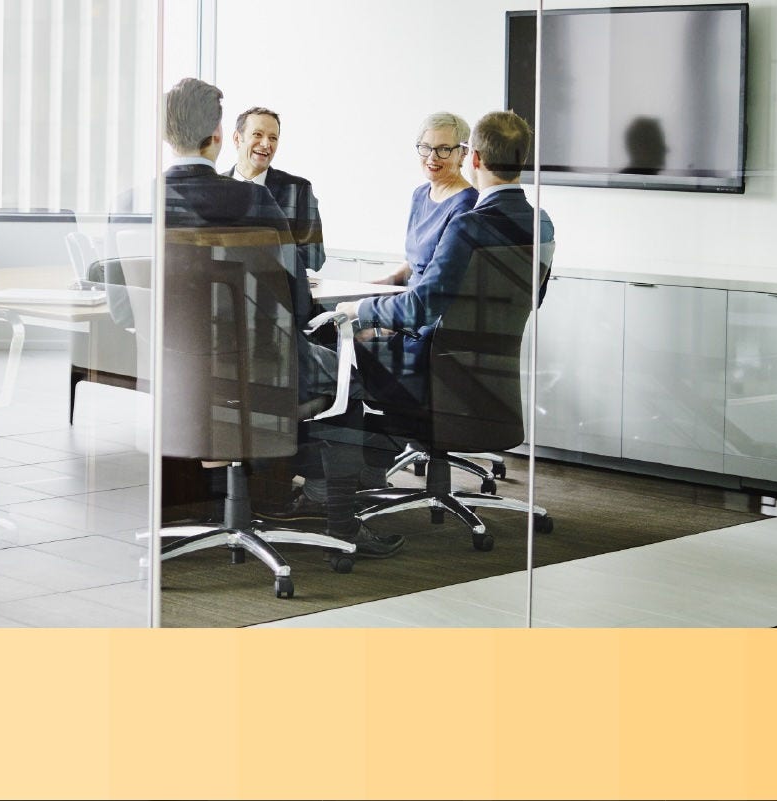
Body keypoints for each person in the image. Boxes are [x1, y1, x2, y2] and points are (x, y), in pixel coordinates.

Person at [159, 77, 401, 558]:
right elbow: (298, 300)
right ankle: (339, 523)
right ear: (220, 135)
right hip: (258, 370)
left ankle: (222, 503)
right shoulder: (254, 201)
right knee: (347, 375)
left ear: (168, 135)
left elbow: (128, 307)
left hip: (179, 378)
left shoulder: (136, 203)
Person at [338, 110, 555, 407]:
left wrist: (359, 308)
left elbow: (422, 306)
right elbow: (531, 299)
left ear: (473, 158)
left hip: (431, 363)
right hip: (485, 371)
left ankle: (355, 449)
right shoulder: (541, 223)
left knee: (336, 344)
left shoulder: (468, 223)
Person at [370, 112, 479, 289]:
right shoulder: (420, 195)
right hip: (408, 299)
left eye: (444, 149)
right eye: (426, 147)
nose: (432, 157)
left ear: (463, 153)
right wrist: (372, 286)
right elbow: (414, 265)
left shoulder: (467, 204)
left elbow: (442, 280)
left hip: (428, 306)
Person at [223, 107, 326, 274]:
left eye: (273, 138)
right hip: (223, 290)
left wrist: (265, 257)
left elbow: (315, 256)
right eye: (257, 134)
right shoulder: (215, 188)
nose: (266, 144)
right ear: (237, 138)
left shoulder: (297, 190)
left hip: (279, 293)